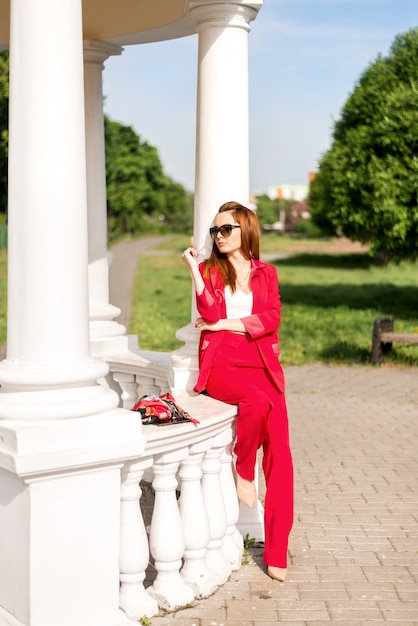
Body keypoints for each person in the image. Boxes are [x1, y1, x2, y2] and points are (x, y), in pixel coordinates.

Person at [181, 200, 294, 582]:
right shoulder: (211, 269)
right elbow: (208, 314)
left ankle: (277, 551)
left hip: (265, 366)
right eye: (215, 231)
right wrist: (195, 271)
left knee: (281, 457)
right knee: (256, 402)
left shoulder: (267, 273)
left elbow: (272, 318)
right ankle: (243, 469)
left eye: (225, 229)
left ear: (245, 229)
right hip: (224, 367)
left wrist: (226, 323)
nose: (218, 236)